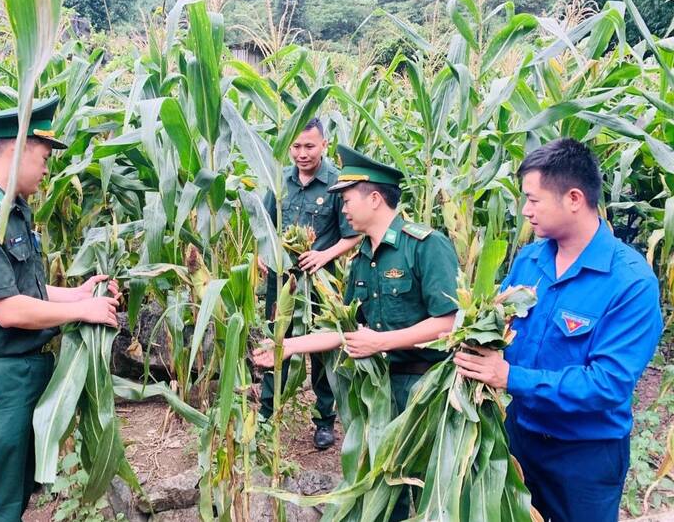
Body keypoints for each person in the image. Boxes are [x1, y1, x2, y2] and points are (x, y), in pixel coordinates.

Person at [0, 97, 121, 522]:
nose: (46, 169)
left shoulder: (10, 210)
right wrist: (82, 314)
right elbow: (7, 310)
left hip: (19, 374)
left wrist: (77, 294)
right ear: (16, 149)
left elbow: (23, 288)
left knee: (14, 498)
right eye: (42, 157)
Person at [453, 138, 663, 522]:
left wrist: (510, 376)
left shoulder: (630, 283)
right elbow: (503, 329)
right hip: (521, 438)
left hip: (584, 456)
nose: (525, 210)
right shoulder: (530, 260)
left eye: (533, 200)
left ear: (573, 198)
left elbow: (607, 384)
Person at [254, 145, 459, 519]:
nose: (343, 209)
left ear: (375, 198)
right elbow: (345, 329)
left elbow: (448, 322)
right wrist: (287, 345)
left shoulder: (426, 246)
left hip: (424, 388)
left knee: (429, 486)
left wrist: (381, 342)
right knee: (383, 482)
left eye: (347, 200)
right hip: (378, 391)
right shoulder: (362, 256)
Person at [258, 118, 360, 449]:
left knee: (320, 350)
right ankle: (266, 412)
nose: (302, 154)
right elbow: (265, 224)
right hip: (281, 279)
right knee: (278, 341)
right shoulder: (279, 180)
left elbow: (353, 234)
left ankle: (324, 420)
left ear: (324, 145)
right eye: (297, 147)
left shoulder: (335, 183)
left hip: (319, 283)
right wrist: (262, 251)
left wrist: (323, 256)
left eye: (310, 146)